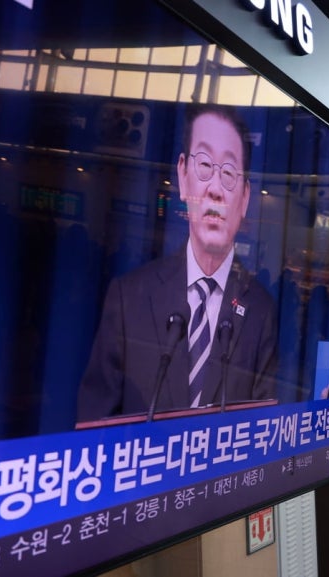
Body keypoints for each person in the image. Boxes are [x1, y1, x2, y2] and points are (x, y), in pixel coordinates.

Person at [77, 103, 278, 421]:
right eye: (204, 166)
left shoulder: (260, 311)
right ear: (183, 176)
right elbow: (95, 423)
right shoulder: (129, 297)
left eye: (228, 173)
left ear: (244, 198)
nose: (215, 189)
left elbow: (262, 427)